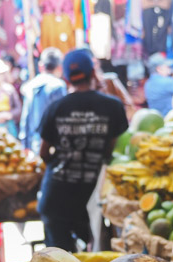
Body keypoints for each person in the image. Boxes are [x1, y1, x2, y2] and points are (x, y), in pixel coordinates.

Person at [38, 49, 128, 251]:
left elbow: (43, 152)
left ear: (66, 78)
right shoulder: (113, 106)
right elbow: (110, 149)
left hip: (56, 195)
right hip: (93, 195)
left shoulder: (56, 108)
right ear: (93, 72)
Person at [19, 48, 66, 155]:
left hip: (33, 142)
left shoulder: (30, 85)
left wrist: (25, 144)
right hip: (53, 143)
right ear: (59, 68)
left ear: (41, 66)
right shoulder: (58, 86)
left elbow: (25, 117)